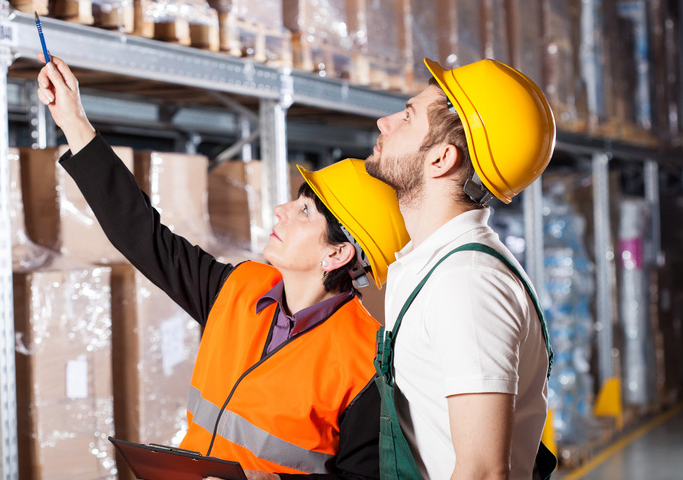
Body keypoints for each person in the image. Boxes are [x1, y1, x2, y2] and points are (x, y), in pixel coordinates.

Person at [35, 54, 409, 480]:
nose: (280, 210)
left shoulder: (367, 364)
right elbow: (142, 234)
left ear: (337, 254)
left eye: (305, 211)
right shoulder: (239, 288)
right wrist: (75, 122)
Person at [365, 58, 557, 480]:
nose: (384, 121)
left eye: (407, 116)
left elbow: (484, 472)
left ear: (440, 159)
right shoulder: (433, 264)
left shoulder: (466, 283)